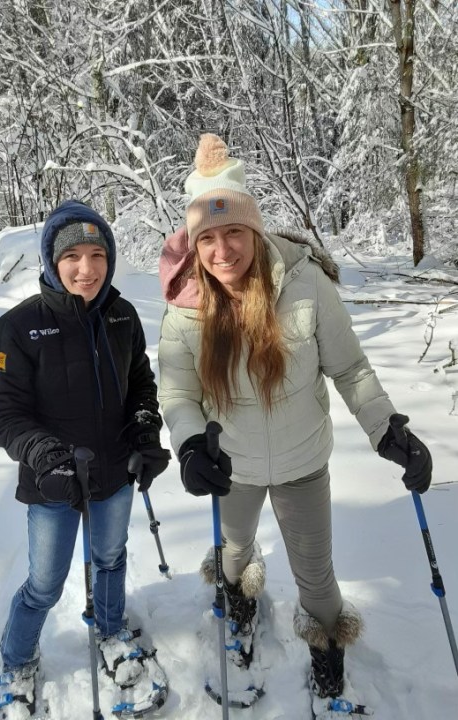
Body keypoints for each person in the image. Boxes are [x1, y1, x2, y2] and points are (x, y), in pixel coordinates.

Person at [157, 135, 432, 708]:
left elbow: (350, 367)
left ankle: (326, 649)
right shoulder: (186, 307)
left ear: (254, 231)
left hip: (304, 461)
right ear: (195, 242)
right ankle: (240, 603)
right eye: (207, 237)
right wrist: (188, 446)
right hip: (229, 468)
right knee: (232, 558)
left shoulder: (305, 285)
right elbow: (179, 392)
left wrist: (388, 430)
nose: (223, 250)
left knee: (318, 582)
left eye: (234, 232)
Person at [0, 200, 170, 716]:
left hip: (114, 473)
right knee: (45, 582)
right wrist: (45, 454)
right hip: (53, 481)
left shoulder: (122, 315)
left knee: (110, 559)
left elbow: (140, 386)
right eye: (72, 257)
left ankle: (110, 630)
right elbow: (3, 414)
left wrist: (146, 429)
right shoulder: (17, 328)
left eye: (97, 255)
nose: (86, 269)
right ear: (50, 260)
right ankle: (17, 660)